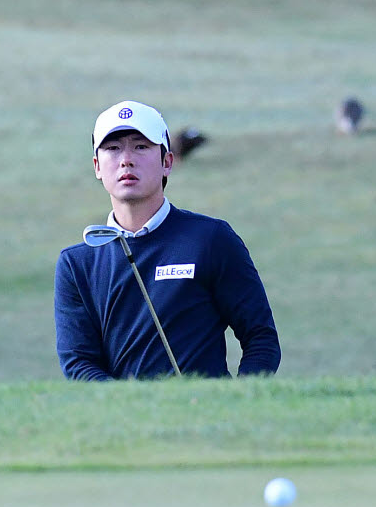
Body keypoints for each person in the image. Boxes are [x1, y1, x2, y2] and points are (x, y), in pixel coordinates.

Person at [54, 100, 281, 380]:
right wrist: (123, 409)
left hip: (207, 415)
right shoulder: (77, 264)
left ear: (167, 162)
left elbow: (260, 338)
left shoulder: (211, 239)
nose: (126, 159)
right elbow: (79, 363)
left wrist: (237, 400)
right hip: (121, 419)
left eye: (141, 146)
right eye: (113, 148)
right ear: (97, 166)